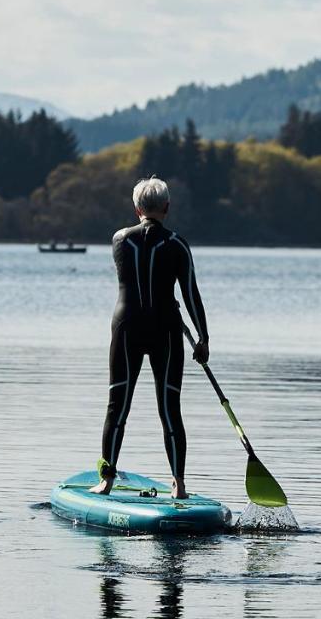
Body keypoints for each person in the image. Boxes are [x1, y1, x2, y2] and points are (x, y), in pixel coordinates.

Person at [91, 176, 209, 499]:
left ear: (136, 207)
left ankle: (106, 480)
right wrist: (203, 338)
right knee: (170, 409)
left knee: (118, 406)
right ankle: (179, 485)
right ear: (167, 207)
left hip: (126, 329)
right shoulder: (178, 245)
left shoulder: (118, 240)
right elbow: (190, 295)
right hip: (166, 332)